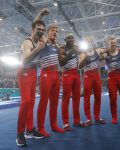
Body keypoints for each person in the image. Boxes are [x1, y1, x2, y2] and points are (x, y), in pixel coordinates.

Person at [34, 8, 64, 137]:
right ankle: (40, 128)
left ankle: (54, 125)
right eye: (53, 31)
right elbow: (35, 27)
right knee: (44, 102)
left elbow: (62, 61)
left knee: (54, 102)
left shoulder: (56, 45)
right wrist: (40, 14)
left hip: (55, 75)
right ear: (47, 32)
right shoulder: (43, 41)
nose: (55, 33)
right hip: (45, 75)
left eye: (57, 31)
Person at [16, 20, 46, 147]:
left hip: (34, 72)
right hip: (24, 72)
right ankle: (19, 133)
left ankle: (29, 129)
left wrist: (41, 16)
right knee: (26, 102)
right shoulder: (27, 42)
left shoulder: (41, 38)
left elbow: (37, 24)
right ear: (33, 29)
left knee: (32, 102)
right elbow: (24, 59)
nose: (41, 31)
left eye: (43, 30)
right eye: (38, 29)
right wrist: (38, 49)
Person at [99, 36, 120, 124]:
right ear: (108, 44)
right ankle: (114, 117)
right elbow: (98, 53)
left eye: (115, 43)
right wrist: (106, 50)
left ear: (117, 43)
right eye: (111, 43)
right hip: (111, 78)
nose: (113, 44)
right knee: (113, 99)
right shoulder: (106, 54)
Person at [58, 33, 86, 131]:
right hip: (66, 73)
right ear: (65, 40)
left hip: (76, 73)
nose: (71, 39)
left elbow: (83, 53)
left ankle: (76, 121)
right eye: (69, 38)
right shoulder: (62, 49)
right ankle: (65, 123)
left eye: (72, 38)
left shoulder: (76, 47)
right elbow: (61, 63)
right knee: (66, 99)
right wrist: (71, 52)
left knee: (76, 98)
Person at [78, 36, 106, 126]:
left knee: (98, 97)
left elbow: (107, 50)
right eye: (88, 42)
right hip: (87, 76)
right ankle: (88, 118)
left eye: (91, 42)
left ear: (93, 43)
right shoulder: (83, 53)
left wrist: (117, 48)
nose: (90, 43)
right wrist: (84, 58)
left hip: (96, 75)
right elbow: (80, 66)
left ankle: (97, 117)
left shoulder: (97, 51)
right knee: (87, 98)